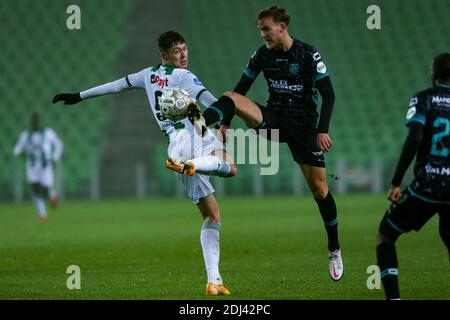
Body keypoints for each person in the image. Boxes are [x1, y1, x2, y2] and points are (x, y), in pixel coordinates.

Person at [52, 31, 236, 296]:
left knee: (211, 215)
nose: (183, 55)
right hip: (196, 136)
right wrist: (227, 113)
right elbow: (211, 102)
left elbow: (115, 85)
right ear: (165, 55)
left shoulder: (147, 75)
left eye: (185, 49)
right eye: (177, 51)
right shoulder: (185, 76)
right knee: (229, 167)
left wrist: (79, 96)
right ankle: (196, 163)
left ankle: (214, 281)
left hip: (175, 147)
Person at [191, 5, 343, 280]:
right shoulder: (262, 55)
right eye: (261, 30)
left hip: (304, 128)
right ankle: (198, 128)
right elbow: (240, 90)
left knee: (320, 191)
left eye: (266, 29)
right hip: (273, 120)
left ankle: (334, 248)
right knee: (230, 96)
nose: (263, 35)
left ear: (282, 26)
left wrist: (322, 130)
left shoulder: (308, 54)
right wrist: (224, 122)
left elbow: (328, 95)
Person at [376, 53, 450, 300]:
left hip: (428, 185)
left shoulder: (424, 99)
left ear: (433, 73)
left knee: (386, 234)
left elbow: (415, 138)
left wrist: (397, 181)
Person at [13, 113, 63, 223]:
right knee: (35, 190)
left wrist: (55, 158)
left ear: (39, 122)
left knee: (45, 188)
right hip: (32, 167)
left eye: (35, 120)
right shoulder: (26, 135)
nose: (34, 122)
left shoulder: (47, 133)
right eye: (32, 121)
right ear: (31, 122)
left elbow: (59, 144)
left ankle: (52, 195)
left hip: (46, 167)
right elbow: (16, 149)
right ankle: (43, 214)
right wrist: (24, 156)